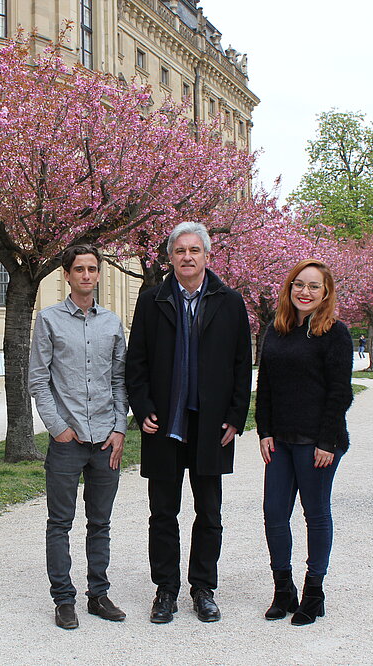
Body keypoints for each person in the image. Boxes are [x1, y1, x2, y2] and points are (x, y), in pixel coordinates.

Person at [125, 222, 252, 624]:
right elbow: (137, 361)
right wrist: (142, 406)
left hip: (211, 425)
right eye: (180, 251)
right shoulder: (152, 300)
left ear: (207, 256)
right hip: (163, 422)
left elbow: (241, 365)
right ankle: (165, 589)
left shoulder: (229, 302)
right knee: (163, 512)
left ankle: (203, 588)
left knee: (209, 512)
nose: (187, 257)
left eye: (194, 250)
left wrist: (235, 417)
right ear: (171, 257)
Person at [28, 245, 128, 630]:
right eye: (79, 270)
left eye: (92, 269)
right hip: (68, 441)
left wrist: (120, 427)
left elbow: (119, 380)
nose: (86, 275)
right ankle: (63, 599)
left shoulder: (112, 323)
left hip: (105, 438)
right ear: (66, 275)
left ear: (99, 274)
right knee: (60, 522)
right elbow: (39, 379)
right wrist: (59, 428)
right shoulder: (48, 320)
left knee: (100, 522)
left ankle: (98, 595)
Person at [255, 259, 354, 626]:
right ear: (289, 288)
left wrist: (326, 440)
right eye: (299, 284)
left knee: (315, 514)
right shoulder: (277, 331)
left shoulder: (335, 333)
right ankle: (284, 590)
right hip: (279, 440)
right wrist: (263, 430)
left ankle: (314, 591)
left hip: (318, 442)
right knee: (274, 513)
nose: (305, 292)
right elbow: (264, 387)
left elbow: (340, 392)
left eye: (314, 286)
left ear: (325, 292)